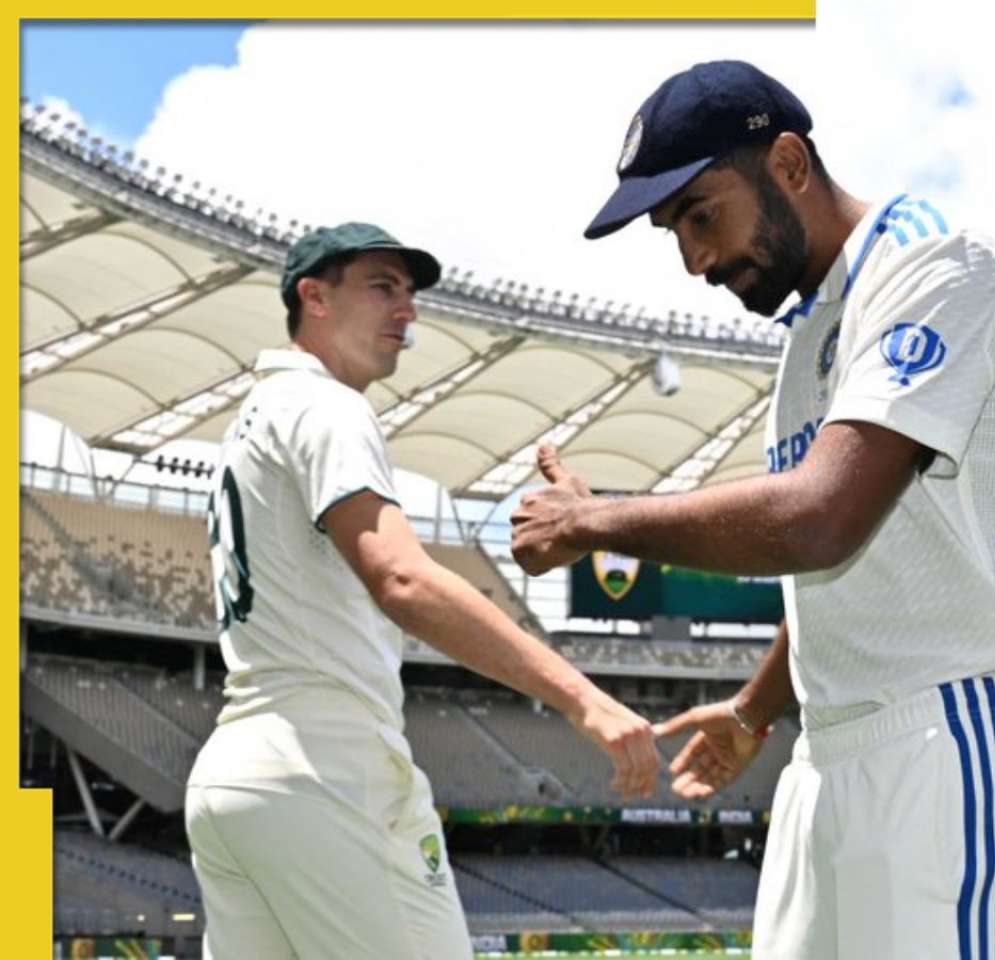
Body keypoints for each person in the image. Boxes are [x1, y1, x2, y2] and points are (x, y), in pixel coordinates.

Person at [511, 61, 995, 960]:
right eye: (675, 233)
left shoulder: (937, 268)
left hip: (959, 736)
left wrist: (593, 523)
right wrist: (754, 710)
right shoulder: (812, 331)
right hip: (830, 754)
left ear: (788, 163)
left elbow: (820, 518)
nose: (695, 260)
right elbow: (839, 569)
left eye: (702, 215)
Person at [186, 222, 659, 960]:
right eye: (382, 286)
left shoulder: (254, 417)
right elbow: (401, 576)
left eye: (410, 293)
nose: (406, 309)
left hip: (236, 777)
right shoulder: (327, 405)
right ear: (313, 295)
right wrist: (585, 698)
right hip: (327, 766)